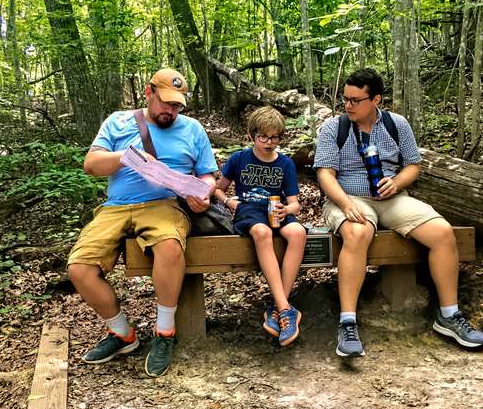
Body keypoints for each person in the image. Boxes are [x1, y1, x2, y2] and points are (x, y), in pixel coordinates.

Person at [313, 68, 483, 357]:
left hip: (391, 198)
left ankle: (448, 315)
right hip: (347, 197)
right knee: (358, 233)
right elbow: (325, 175)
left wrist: (396, 183)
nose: (348, 105)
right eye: (345, 99)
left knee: (442, 233)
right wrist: (345, 204)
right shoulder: (335, 128)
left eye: (356, 100)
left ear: (376, 99)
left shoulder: (397, 124)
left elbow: (413, 165)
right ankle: (348, 322)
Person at [67, 68, 218, 377]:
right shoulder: (118, 122)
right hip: (117, 207)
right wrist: (127, 156)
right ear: (148, 93)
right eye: (165, 103)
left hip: (164, 204)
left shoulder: (192, 129)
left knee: (169, 247)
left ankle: (164, 333)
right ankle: (122, 334)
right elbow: (91, 164)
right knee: (79, 268)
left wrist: (203, 192)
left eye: (177, 106)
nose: (171, 111)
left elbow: (207, 173)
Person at [213, 106, 307, 346]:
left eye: (274, 137)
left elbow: (295, 203)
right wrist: (229, 201)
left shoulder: (285, 164)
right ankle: (286, 309)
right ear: (252, 136)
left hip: (276, 210)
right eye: (263, 136)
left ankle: (279, 308)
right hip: (249, 211)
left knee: (297, 232)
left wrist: (288, 210)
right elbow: (217, 188)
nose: (269, 142)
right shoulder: (239, 159)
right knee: (262, 232)